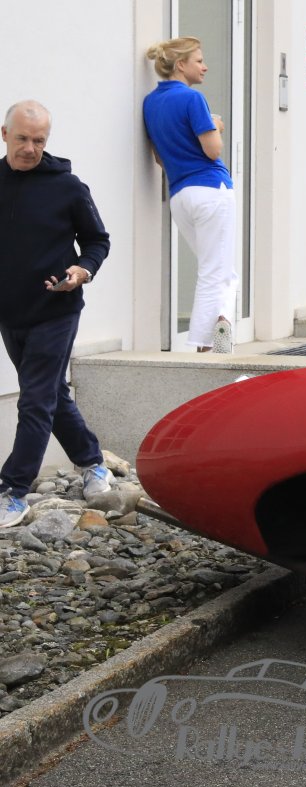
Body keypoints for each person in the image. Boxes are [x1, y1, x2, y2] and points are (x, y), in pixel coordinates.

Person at [0, 101, 115, 530]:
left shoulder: (68, 186)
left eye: (39, 140)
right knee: (51, 394)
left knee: (35, 399)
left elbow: (98, 241)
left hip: (57, 309)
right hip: (11, 314)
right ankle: (93, 463)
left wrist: (82, 270)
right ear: (4, 134)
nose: (30, 148)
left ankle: (13, 491)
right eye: (22, 138)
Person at [143, 36, 238, 353]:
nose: (205, 67)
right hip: (211, 189)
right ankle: (205, 346)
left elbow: (159, 158)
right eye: (199, 61)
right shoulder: (193, 98)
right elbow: (213, 150)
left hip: (180, 195)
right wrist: (216, 125)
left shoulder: (150, 103)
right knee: (214, 272)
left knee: (223, 271)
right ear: (181, 65)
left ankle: (223, 325)